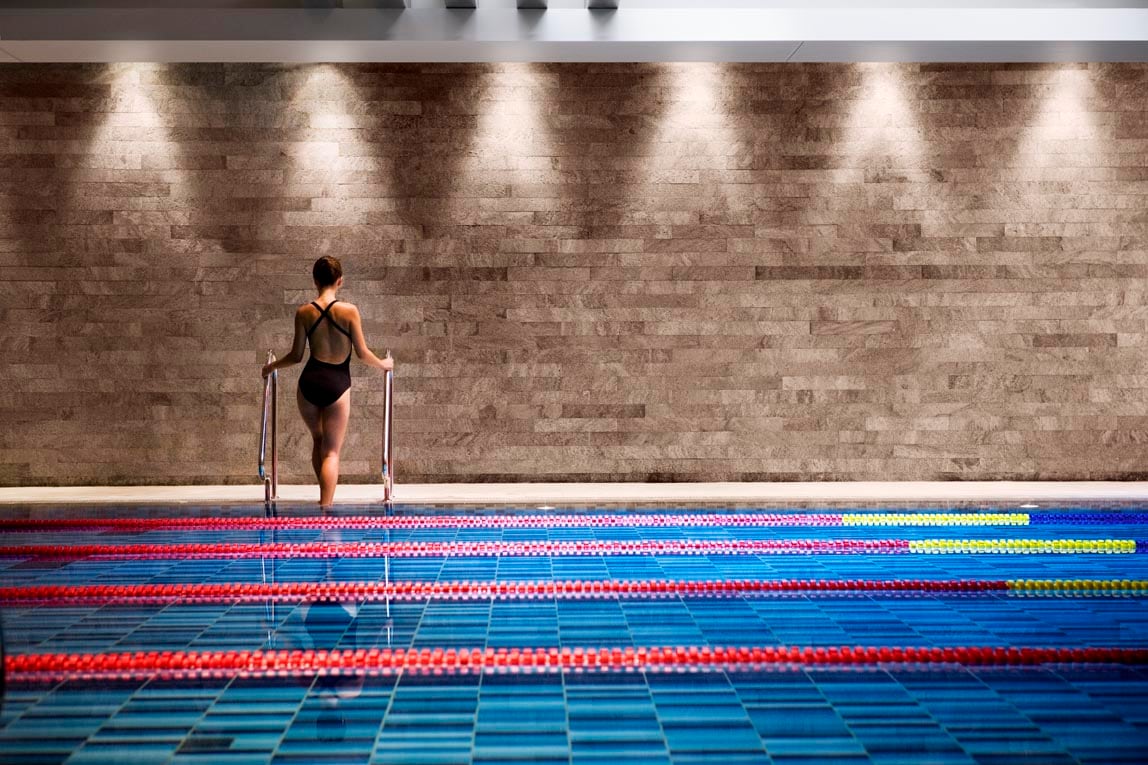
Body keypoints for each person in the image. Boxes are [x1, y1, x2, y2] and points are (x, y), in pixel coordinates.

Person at [261, 256, 394, 508]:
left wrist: (271, 366)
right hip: (337, 383)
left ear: (315, 281)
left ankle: (323, 499)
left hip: (308, 383)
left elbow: (296, 355)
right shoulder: (349, 311)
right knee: (332, 452)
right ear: (340, 281)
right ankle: (325, 511)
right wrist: (383, 364)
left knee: (318, 441)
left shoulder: (304, 312)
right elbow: (362, 353)